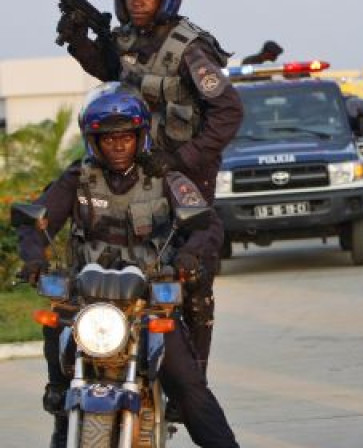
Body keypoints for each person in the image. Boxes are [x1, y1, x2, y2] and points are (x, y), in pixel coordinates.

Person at [17, 82, 239, 448]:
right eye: (108, 138)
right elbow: (36, 220)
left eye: (125, 137)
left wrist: (190, 255)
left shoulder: (166, 176)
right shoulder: (78, 179)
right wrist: (34, 259)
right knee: (59, 335)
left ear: (140, 137)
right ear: (94, 141)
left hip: (149, 301)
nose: (118, 145)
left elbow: (207, 222)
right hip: (90, 299)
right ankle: (59, 395)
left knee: (188, 385)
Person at [56, 0, 244, 386]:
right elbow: (111, 72)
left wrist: (181, 160)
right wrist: (79, 39)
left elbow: (228, 111)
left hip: (184, 178)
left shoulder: (190, 47)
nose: (137, 1)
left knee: (193, 274)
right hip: (127, 168)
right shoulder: (125, 39)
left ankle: (191, 383)